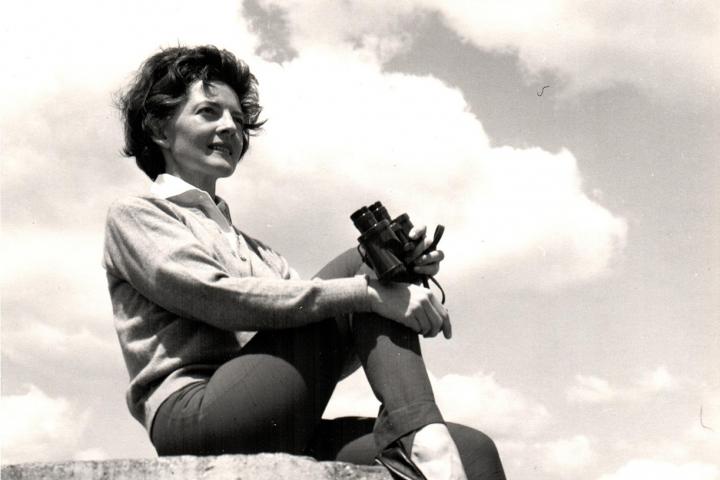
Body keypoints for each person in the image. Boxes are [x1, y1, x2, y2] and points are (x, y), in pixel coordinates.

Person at [103, 45, 505, 480]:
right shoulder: (138, 214)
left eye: (238, 120)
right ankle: (422, 439)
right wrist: (370, 289)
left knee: (474, 451)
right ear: (161, 128)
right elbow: (217, 297)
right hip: (196, 418)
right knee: (359, 270)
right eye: (208, 113)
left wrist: (397, 273)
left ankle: (422, 438)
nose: (230, 129)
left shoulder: (259, 252)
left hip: (281, 419)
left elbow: (333, 351)